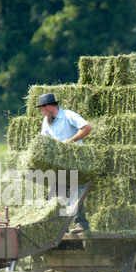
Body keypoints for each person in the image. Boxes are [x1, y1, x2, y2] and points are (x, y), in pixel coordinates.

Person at [36, 92, 92, 233]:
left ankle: (81, 224)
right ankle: (62, 226)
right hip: (60, 163)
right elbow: (45, 141)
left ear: (48, 106)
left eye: (42, 108)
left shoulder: (68, 115)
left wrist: (71, 140)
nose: (41, 112)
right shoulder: (46, 122)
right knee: (55, 194)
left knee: (74, 190)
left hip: (76, 161)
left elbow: (87, 127)